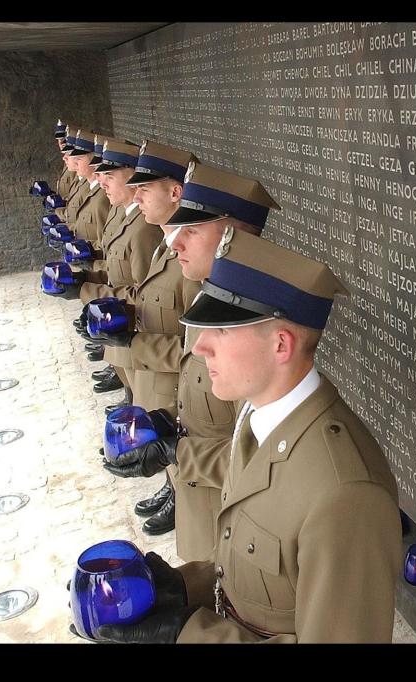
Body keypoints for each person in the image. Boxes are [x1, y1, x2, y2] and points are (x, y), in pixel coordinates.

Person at [93, 230, 402, 643]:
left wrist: (187, 635)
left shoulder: (345, 494)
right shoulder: (257, 417)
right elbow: (249, 565)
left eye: (220, 331)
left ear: (280, 345)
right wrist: (187, 585)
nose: (200, 347)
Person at [103, 162, 278, 562]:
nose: (175, 243)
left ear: (231, 237)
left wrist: (177, 453)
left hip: (234, 522)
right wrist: (165, 422)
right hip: (202, 507)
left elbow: (266, 459)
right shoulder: (208, 298)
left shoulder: (250, 329)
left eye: (193, 231)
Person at [91, 139, 201, 535]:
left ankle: (177, 499)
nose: (136, 196)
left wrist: (131, 344)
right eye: (134, 187)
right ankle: (170, 491)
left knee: (182, 465)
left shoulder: (188, 258)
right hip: (151, 375)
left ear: (176, 192)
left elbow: (196, 350)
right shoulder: (167, 246)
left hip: (173, 383)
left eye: (145, 188)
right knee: (166, 462)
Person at [78, 139, 162, 410]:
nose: (101, 182)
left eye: (109, 175)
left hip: (140, 332)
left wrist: (89, 290)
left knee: (141, 398)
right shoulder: (124, 214)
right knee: (133, 392)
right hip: (123, 327)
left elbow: (143, 291)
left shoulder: (144, 228)